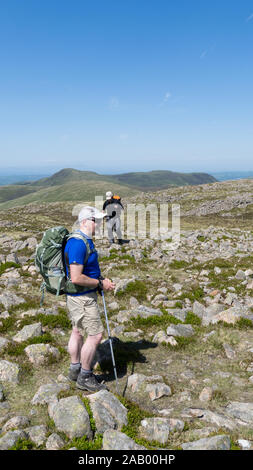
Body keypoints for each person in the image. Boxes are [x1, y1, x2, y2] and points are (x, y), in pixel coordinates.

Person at [64, 206, 115, 392]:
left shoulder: (83, 241)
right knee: (95, 336)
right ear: (84, 222)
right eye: (96, 220)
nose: (99, 224)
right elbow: (77, 277)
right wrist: (100, 284)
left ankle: (75, 369)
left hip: (78, 296)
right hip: (82, 297)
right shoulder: (78, 243)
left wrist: (98, 281)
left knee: (77, 331)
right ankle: (85, 376)